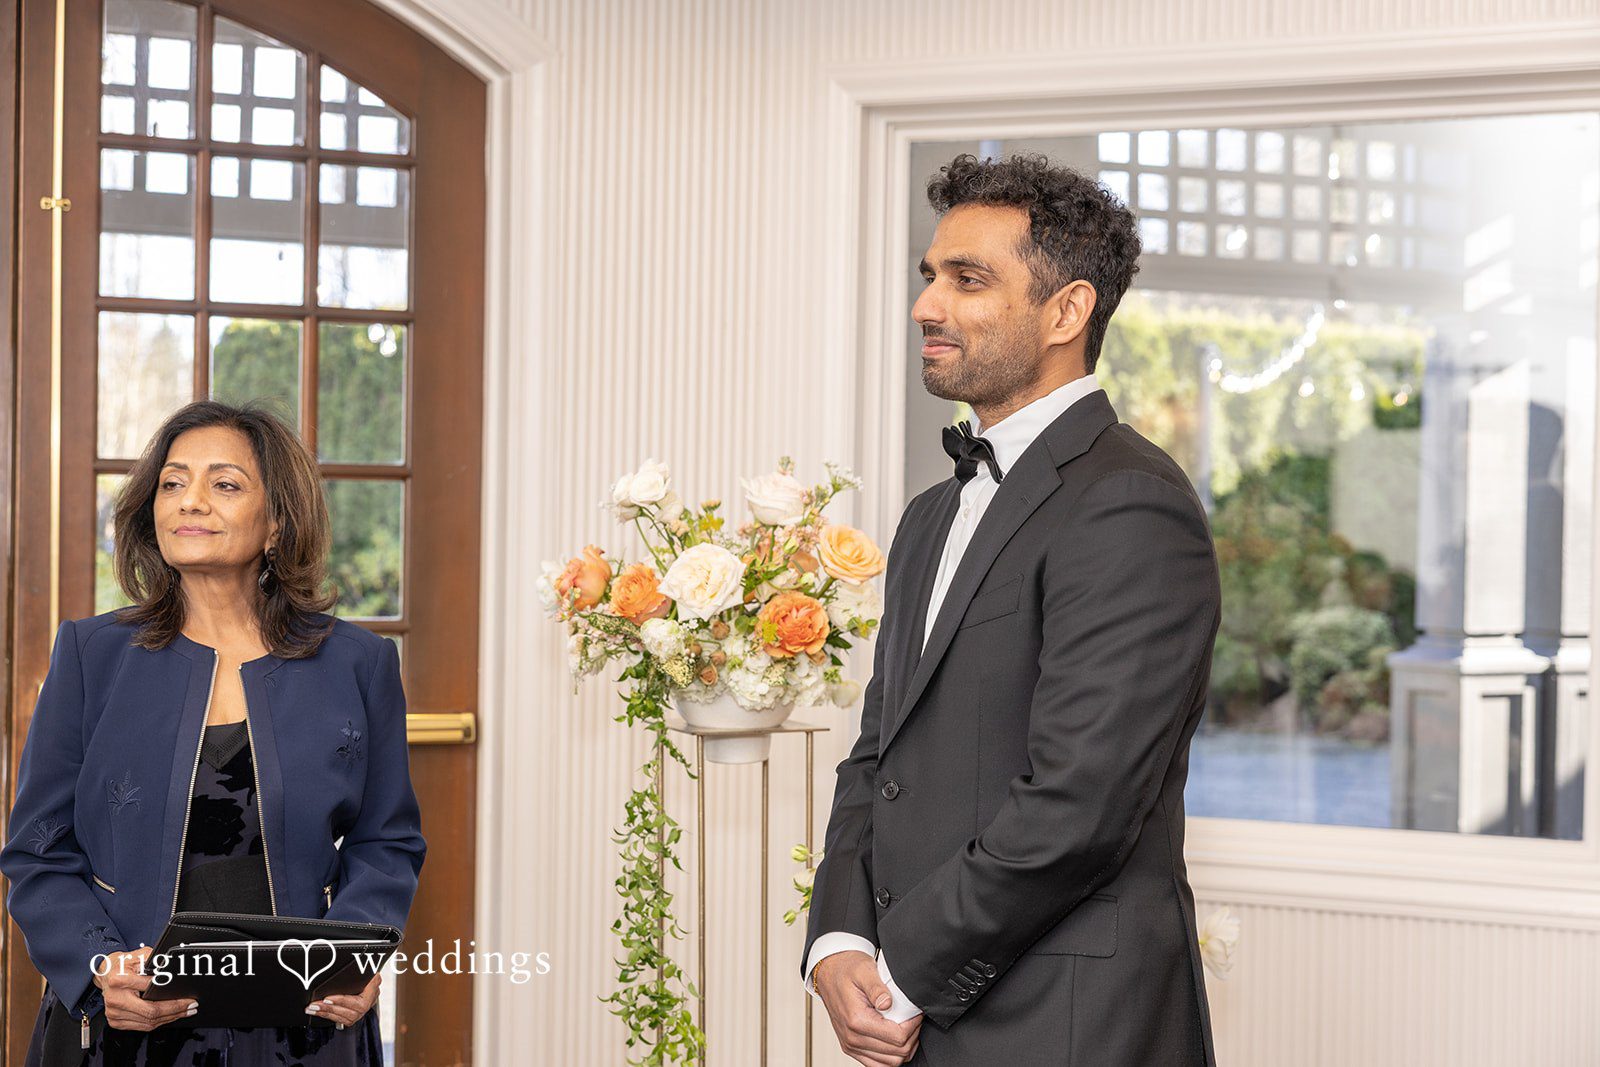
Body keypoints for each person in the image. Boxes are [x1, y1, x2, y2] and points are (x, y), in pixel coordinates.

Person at [801, 154, 1222, 1066]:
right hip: (917, 1013)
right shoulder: (928, 516)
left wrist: (901, 971)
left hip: (1066, 1023)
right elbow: (880, 753)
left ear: (1066, 311)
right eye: (929, 276)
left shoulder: (1131, 502)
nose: (926, 305)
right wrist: (837, 940)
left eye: (967, 279)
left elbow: (1080, 806)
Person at [0, 400, 426, 1064]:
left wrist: (352, 953)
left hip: (302, 1020)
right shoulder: (91, 655)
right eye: (172, 483)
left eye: (223, 484)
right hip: (129, 1024)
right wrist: (99, 966)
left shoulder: (358, 663)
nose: (188, 501)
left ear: (279, 521)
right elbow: (38, 850)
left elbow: (386, 841)